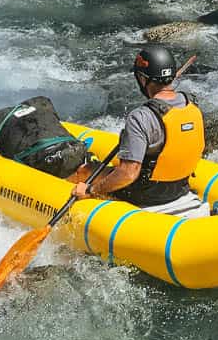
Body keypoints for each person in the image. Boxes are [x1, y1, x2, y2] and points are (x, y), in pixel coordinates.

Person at [71, 45, 209, 217]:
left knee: (85, 171)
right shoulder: (193, 106)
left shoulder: (141, 117)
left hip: (145, 196)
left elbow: (128, 174)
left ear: (143, 80)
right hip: (179, 188)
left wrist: (91, 190)